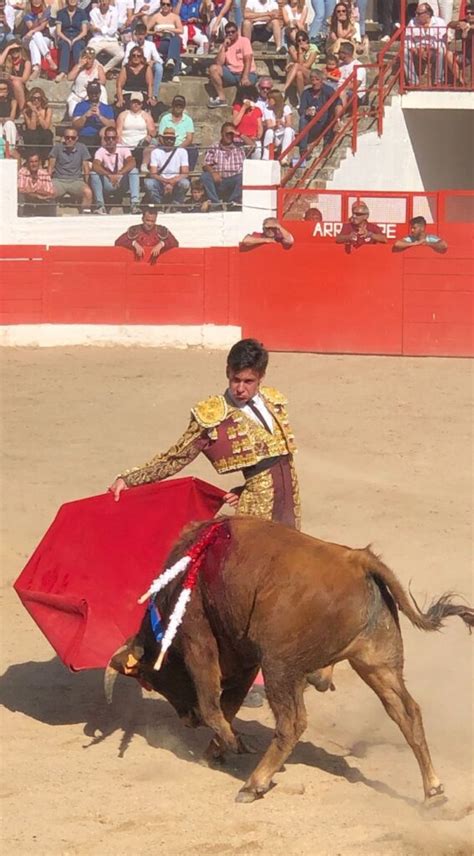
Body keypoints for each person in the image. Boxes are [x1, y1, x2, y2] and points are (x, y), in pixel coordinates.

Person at [108, 337, 301, 533]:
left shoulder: (272, 401)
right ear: (227, 372)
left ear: (261, 376)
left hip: (290, 505)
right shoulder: (214, 414)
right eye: (236, 379)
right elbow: (177, 457)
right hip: (256, 509)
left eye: (248, 381)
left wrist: (244, 489)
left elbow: (279, 459)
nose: (240, 388)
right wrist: (130, 479)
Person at [90, 126, 141, 213]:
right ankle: (100, 206)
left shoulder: (123, 148)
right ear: (105, 139)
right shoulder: (101, 151)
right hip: (108, 183)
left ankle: (135, 204)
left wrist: (120, 173)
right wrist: (108, 175)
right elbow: (95, 165)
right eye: (108, 138)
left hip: (121, 181)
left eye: (113, 138)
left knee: (134, 171)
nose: (110, 140)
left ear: (117, 139)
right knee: (94, 174)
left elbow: (132, 162)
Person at [207, 20, 257, 109]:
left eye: (233, 32)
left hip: (247, 72)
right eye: (228, 32)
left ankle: (247, 102)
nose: (230, 34)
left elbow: (248, 59)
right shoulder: (224, 45)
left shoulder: (244, 41)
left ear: (237, 32)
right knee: (213, 69)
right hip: (231, 73)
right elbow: (219, 63)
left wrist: (245, 76)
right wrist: (223, 48)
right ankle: (221, 99)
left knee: (246, 88)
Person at [48, 127, 93, 212]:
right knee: (49, 192)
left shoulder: (82, 147)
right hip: (59, 180)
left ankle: (85, 216)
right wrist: (48, 182)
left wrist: (87, 183)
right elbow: (50, 167)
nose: (70, 140)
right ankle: (50, 215)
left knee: (88, 192)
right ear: (64, 138)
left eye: (73, 138)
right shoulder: (57, 147)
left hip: (76, 180)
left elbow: (86, 167)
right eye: (67, 137)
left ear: (77, 138)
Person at [201, 121, 245, 206]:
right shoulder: (214, 147)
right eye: (227, 133)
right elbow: (205, 165)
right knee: (205, 176)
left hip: (234, 180)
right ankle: (215, 203)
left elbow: (253, 146)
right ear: (222, 133)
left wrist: (239, 134)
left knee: (243, 176)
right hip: (219, 180)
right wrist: (213, 172)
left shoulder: (240, 146)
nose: (229, 136)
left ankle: (233, 203)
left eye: (231, 134)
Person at [297, 69, 338, 158]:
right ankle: (303, 150)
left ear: (322, 80)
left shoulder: (328, 91)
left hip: (325, 121)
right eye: (312, 80)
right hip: (312, 124)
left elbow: (336, 103)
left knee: (328, 115)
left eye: (317, 80)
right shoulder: (306, 93)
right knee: (303, 119)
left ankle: (327, 145)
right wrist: (306, 112)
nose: (315, 82)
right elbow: (301, 110)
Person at [144, 126, 190, 205]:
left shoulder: (182, 151)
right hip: (161, 181)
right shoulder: (156, 152)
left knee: (185, 183)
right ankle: (158, 204)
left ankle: (176, 204)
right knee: (149, 183)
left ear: (175, 139)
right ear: (162, 139)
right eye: (167, 138)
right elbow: (153, 173)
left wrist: (172, 182)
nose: (169, 140)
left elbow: (185, 172)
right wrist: (165, 182)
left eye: (171, 138)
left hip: (176, 181)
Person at [114, 205, 179, 261]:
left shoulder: (161, 230)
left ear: (155, 220)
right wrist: (134, 243)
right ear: (142, 219)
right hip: (138, 266)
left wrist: (162, 244)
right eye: (147, 220)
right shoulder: (135, 230)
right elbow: (118, 242)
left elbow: (175, 243)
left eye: (152, 221)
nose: (150, 224)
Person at [405, 3, 447, 86]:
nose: (416, 16)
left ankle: (438, 80)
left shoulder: (440, 22)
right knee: (404, 51)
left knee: (441, 50)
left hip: (433, 51)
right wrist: (416, 49)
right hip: (417, 51)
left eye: (419, 14)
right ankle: (413, 81)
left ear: (428, 14)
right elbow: (407, 41)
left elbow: (442, 41)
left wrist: (430, 48)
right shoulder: (412, 22)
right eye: (416, 13)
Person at [72, 80, 116, 155]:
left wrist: (100, 116)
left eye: (96, 93)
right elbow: (75, 125)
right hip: (84, 137)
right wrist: (85, 116)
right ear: (88, 93)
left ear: (100, 93)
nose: (94, 95)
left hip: (101, 139)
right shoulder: (80, 106)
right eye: (91, 92)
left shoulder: (107, 108)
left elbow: (113, 125)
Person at [123, 21, 163, 100]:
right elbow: (125, 61)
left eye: (142, 34)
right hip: (134, 67)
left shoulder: (151, 45)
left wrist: (153, 61)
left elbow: (160, 60)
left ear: (145, 34)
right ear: (135, 34)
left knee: (159, 67)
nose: (140, 37)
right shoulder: (130, 45)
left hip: (147, 67)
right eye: (138, 34)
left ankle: (154, 95)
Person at [116, 90, 156, 168]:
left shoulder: (146, 116)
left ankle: (144, 165)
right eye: (134, 102)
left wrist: (150, 136)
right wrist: (119, 141)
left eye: (138, 102)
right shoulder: (123, 115)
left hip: (141, 144)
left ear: (141, 104)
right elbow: (118, 131)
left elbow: (152, 130)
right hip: (125, 143)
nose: (136, 104)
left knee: (152, 144)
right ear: (130, 103)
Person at [158, 94, 198, 170]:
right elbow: (160, 137)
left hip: (183, 146)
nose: (178, 107)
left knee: (193, 151)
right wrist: (169, 147)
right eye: (176, 105)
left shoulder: (188, 120)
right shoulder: (165, 119)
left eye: (181, 106)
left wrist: (178, 148)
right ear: (172, 105)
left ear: (184, 107)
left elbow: (189, 139)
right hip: (166, 145)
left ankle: (188, 174)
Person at [146, 1, 183, 82]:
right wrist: (154, 33)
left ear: (171, 6)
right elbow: (145, 30)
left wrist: (169, 29)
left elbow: (181, 30)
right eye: (163, 4)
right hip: (161, 41)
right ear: (161, 5)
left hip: (172, 40)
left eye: (168, 4)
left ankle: (171, 59)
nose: (165, 6)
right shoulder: (156, 17)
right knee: (175, 42)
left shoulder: (175, 17)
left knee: (175, 39)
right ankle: (175, 73)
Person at [67, 47, 107, 118]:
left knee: (102, 88)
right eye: (86, 58)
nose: (87, 61)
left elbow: (103, 81)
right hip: (77, 96)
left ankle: (104, 111)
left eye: (90, 58)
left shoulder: (98, 67)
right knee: (72, 114)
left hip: (90, 96)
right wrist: (79, 65)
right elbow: (69, 77)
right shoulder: (79, 67)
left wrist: (92, 83)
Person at [55, 0, 89, 82]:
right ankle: (63, 72)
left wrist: (75, 39)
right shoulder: (61, 13)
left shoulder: (82, 13)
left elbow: (84, 32)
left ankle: (78, 70)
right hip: (64, 36)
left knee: (77, 45)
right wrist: (67, 39)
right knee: (65, 45)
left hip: (78, 36)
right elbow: (58, 31)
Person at [22, 0, 57, 79]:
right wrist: (38, 19)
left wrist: (32, 31)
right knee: (34, 36)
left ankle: (36, 68)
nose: (36, 1)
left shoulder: (46, 12)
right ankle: (49, 60)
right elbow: (31, 27)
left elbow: (42, 27)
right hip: (27, 38)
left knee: (34, 41)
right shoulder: (27, 14)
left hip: (44, 38)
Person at [88, 0, 125, 75]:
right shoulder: (93, 12)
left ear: (109, 1)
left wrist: (99, 28)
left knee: (121, 54)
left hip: (111, 39)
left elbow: (113, 30)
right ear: (99, 2)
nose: (104, 3)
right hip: (97, 39)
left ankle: (104, 70)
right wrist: (106, 28)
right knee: (88, 53)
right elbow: (94, 30)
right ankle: (99, 68)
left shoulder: (114, 11)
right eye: (102, 1)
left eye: (106, 1)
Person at [18, 149, 56, 215]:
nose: (34, 164)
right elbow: (20, 189)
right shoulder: (22, 172)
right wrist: (37, 194)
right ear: (27, 163)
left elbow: (51, 192)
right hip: (27, 201)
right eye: (31, 162)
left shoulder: (44, 174)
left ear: (39, 162)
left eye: (36, 161)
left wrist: (35, 193)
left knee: (51, 202)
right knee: (20, 197)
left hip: (41, 202)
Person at [262, 88, 295, 162]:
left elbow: (289, 124)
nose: (268, 101)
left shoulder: (285, 108)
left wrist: (282, 123)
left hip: (285, 135)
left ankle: (284, 156)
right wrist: (275, 126)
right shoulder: (267, 109)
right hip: (275, 135)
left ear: (275, 100)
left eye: (269, 99)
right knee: (269, 132)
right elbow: (269, 125)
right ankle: (266, 157)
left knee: (288, 130)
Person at [21, 86, 53, 161]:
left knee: (47, 134)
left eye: (38, 98)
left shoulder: (48, 110)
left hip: (43, 134)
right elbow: (32, 128)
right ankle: (33, 158)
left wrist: (38, 114)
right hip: (32, 134)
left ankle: (43, 159)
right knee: (32, 134)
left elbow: (45, 126)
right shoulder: (26, 111)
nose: (36, 100)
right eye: (33, 98)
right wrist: (33, 112)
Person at [284, 29, 319, 95]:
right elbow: (299, 64)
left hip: (310, 73)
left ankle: (284, 88)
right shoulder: (293, 49)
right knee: (299, 73)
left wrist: (293, 64)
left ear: (307, 40)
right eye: (299, 40)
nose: (301, 42)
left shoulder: (313, 48)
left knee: (297, 66)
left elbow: (307, 65)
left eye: (303, 40)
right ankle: (302, 98)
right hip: (297, 75)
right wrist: (300, 52)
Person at [446, 3, 474, 84]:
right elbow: (450, 24)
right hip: (466, 57)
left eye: (472, 13)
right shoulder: (464, 22)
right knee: (448, 54)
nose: (469, 15)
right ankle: (460, 80)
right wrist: (459, 24)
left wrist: (469, 27)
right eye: (467, 13)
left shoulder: (468, 25)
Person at [0, 40, 31, 110]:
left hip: (20, 86)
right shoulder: (7, 60)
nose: (14, 52)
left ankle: (23, 109)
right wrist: (8, 48)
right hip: (7, 85)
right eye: (12, 50)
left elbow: (24, 79)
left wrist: (11, 77)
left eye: (17, 50)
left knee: (16, 83)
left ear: (21, 50)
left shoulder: (26, 62)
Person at [0, 78, 17, 146]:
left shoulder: (13, 101)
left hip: (7, 123)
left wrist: (2, 119)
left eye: (4, 89)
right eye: (0, 89)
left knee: (10, 124)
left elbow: (12, 118)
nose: (2, 91)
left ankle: (10, 147)